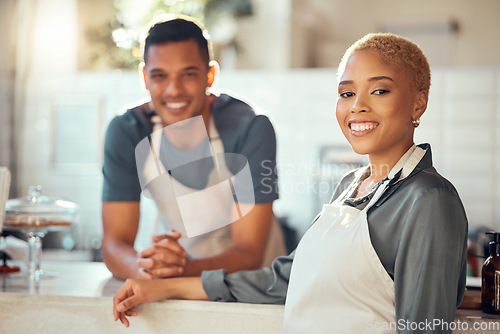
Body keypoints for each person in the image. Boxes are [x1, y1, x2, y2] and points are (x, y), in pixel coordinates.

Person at [112, 33, 468, 334]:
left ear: (418, 102)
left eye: (379, 92)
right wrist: (160, 288)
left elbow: (425, 328)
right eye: (347, 94)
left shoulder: (428, 200)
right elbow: (284, 279)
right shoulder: (351, 186)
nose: (357, 107)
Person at [101, 14, 286, 281]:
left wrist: (179, 269)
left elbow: (249, 252)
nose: (174, 90)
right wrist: (148, 268)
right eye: (160, 76)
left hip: (252, 284)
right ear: (144, 77)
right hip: (178, 285)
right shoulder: (128, 131)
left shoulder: (251, 129)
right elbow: (114, 245)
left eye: (188, 74)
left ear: (210, 75)